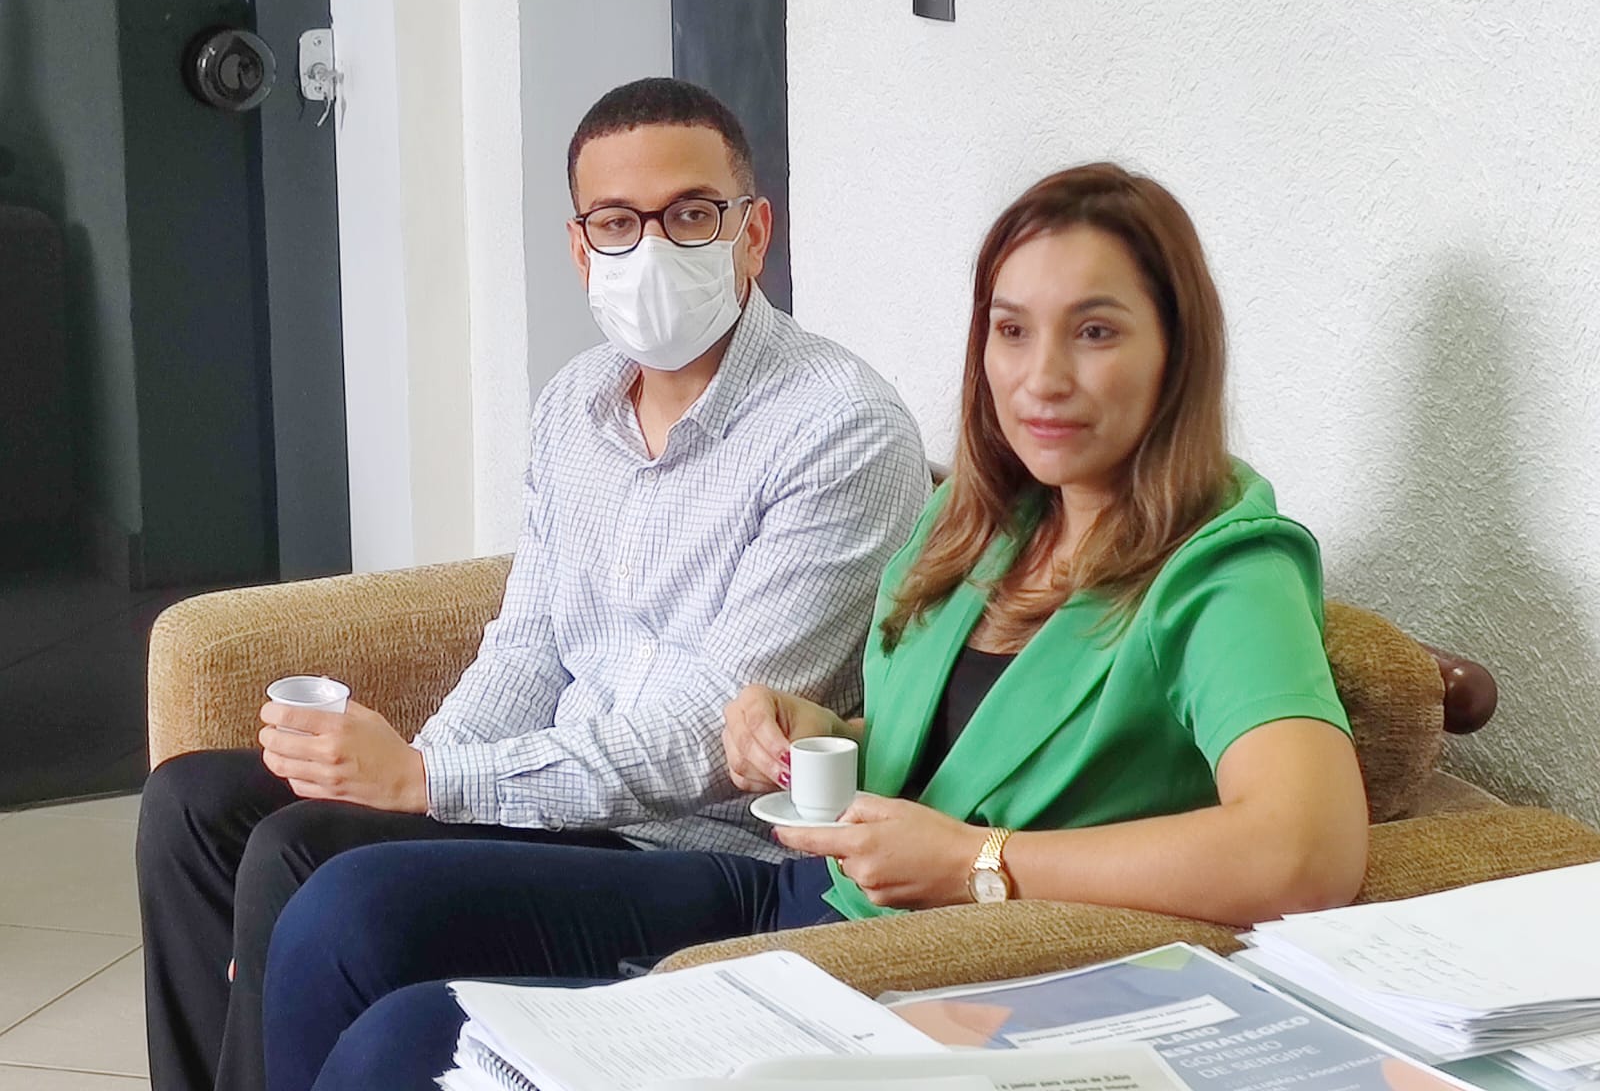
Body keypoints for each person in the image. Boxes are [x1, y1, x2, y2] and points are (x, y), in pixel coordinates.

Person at [260, 161, 1370, 1091]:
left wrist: (978, 863)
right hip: (803, 890)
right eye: (1011, 330)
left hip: (910, 962)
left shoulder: (1225, 569)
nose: (1042, 378)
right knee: (349, 910)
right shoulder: (985, 519)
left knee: (408, 1044)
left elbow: (1304, 849)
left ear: (1177, 348)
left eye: (1094, 332)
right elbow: (959, 745)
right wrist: (815, 730)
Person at [134, 77, 929, 1091]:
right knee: (193, 805)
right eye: (617, 222)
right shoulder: (573, 405)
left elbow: (708, 742)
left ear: (753, 233)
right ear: (580, 248)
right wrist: (410, 782)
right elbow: (527, 648)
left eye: (690, 215)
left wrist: (426, 785)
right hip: (556, 803)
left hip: (698, 846)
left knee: (302, 852)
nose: (652, 248)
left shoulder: (839, 427)